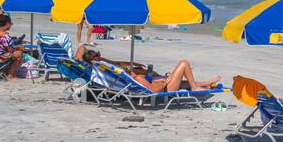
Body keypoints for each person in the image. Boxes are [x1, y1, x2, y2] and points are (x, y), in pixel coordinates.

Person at [80, 47, 219, 92]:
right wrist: (166, 81)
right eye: (97, 56)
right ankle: (196, 86)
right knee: (184, 63)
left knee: (186, 83)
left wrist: (102, 60)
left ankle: (207, 84)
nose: (100, 56)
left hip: (162, 84)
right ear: (93, 59)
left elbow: (114, 63)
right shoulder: (137, 78)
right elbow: (153, 91)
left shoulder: (102, 69)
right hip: (165, 88)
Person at [0, 14, 27, 78]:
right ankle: (11, 74)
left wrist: (15, 47)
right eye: (10, 23)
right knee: (19, 53)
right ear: (7, 23)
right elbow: (10, 50)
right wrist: (18, 47)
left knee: (8, 53)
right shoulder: (5, 35)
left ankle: (5, 71)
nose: (11, 25)